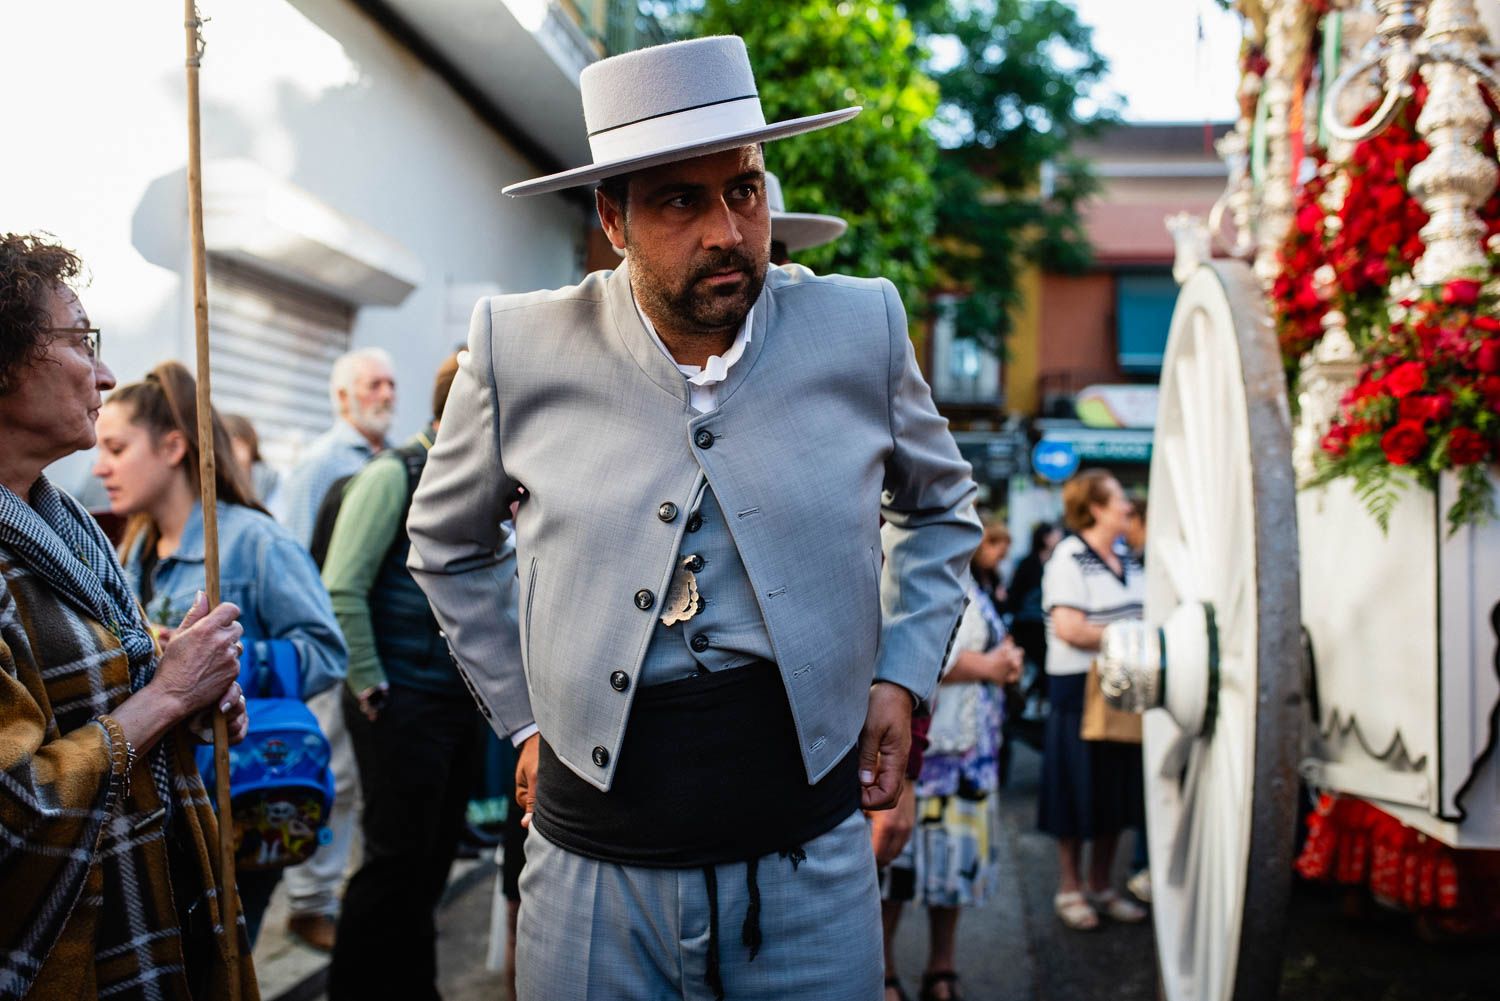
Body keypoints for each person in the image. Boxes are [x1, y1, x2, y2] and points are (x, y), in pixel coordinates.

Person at [407, 36, 981, 1001]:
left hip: (812, 865)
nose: (729, 228)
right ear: (613, 217)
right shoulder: (519, 345)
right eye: (681, 199)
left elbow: (943, 509)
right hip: (592, 876)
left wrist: (902, 671)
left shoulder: (862, 325)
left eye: (745, 189)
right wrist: (523, 722)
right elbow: (446, 544)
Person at [0, 231, 255, 999]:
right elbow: (12, 808)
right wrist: (165, 697)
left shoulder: (65, 523)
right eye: (80, 340)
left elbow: (102, 686)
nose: (106, 373)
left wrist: (181, 674)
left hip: (152, 918)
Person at [92, 361, 347, 944]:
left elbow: (328, 652)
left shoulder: (255, 541)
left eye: (115, 447)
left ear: (174, 447)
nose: (99, 465)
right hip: (160, 807)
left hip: (237, 801)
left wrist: (214, 662)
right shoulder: (132, 547)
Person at [323, 355, 481, 1000]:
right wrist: (370, 686)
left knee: (434, 859)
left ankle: (414, 987)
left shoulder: (476, 475)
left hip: (455, 702)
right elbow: (342, 588)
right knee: (393, 862)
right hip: (397, 700)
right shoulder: (393, 474)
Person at [276, 346, 395, 951]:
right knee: (331, 778)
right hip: (329, 650)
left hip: (362, 646)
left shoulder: (382, 459)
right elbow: (292, 554)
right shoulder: (322, 463)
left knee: (354, 780)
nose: (385, 394)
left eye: (390, 384)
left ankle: (331, 895)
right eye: (373, 384)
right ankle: (307, 904)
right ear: (343, 397)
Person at [880, 531, 1024, 1001]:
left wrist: (1008, 661)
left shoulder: (971, 577)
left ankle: (941, 966)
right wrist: (989, 668)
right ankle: (883, 970)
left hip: (969, 753)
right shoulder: (901, 561)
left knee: (953, 868)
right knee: (898, 869)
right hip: (926, 749)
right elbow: (911, 654)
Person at [1039, 469, 1148, 931]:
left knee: (1115, 791)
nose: (1128, 506)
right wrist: (1133, 636)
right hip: (1079, 690)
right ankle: (1070, 887)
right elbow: (1070, 629)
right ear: (1097, 508)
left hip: (1124, 687)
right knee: (1075, 790)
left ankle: (1102, 886)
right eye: (1120, 498)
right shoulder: (1068, 557)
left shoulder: (1130, 557)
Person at [224, 412, 281, 509]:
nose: (234, 444)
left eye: (236, 436)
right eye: (229, 439)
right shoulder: (219, 479)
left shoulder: (269, 478)